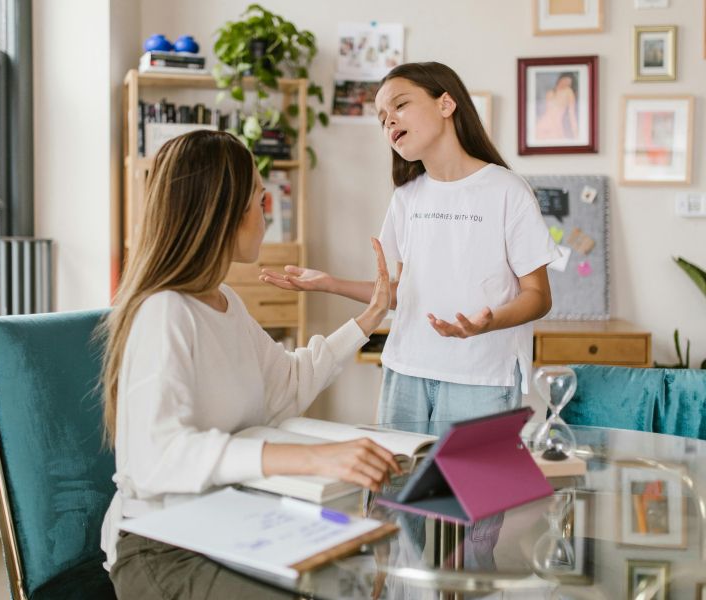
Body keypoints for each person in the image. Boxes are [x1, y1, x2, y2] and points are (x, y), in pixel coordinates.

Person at [99, 130, 401, 599]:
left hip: (227, 520)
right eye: (260, 201)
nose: (267, 216)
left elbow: (288, 384)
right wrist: (310, 457)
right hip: (163, 545)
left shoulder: (225, 304)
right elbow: (156, 455)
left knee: (353, 578)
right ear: (225, 215)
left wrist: (370, 317)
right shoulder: (164, 311)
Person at [261, 61, 559, 428]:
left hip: (481, 378)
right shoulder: (407, 197)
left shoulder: (507, 190)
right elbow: (404, 293)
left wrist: (488, 322)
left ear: (446, 105)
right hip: (405, 371)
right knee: (395, 486)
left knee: (465, 487)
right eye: (382, 116)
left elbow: (539, 296)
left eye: (399, 105)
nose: (389, 121)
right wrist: (329, 284)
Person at [535, 73, 579, 141]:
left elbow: (571, 114)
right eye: (564, 81)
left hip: (556, 126)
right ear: (560, 80)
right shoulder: (550, 93)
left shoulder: (568, 92)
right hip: (544, 123)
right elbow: (547, 111)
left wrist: (575, 132)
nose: (565, 84)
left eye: (568, 83)